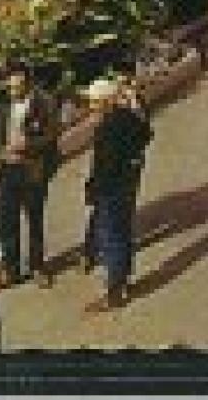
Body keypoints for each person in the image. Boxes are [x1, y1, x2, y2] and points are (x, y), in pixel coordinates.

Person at [81, 77, 153, 314]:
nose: (91, 106)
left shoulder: (107, 127)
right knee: (123, 232)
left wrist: (93, 189)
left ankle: (114, 290)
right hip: (128, 184)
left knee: (112, 236)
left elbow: (105, 166)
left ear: (105, 102)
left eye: (94, 102)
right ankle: (122, 278)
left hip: (111, 189)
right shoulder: (127, 116)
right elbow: (146, 134)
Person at [0, 64, 59, 288]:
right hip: (8, 171)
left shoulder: (44, 103)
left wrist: (27, 145)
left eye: (18, 87)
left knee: (34, 220)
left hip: (32, 170)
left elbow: (51, 135)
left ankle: (37, 266)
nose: (13, 91)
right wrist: (0, 154)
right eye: (10, 87)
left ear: (28, 83)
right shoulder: (3, 107)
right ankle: (11, 270)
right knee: (6, 222)